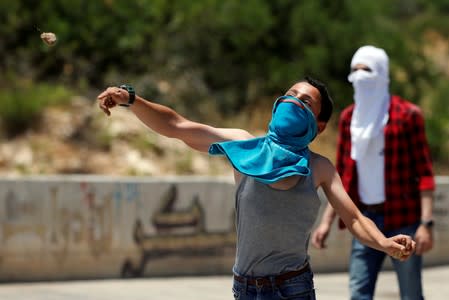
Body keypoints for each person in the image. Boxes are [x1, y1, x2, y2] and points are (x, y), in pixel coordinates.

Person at [97, 76, 416, 300]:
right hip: (246, 288)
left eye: (305, 101)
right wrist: (132, 100)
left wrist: (385, 243)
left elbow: (355, 218)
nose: (294, 100)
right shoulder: (243, 145)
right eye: (290, 94)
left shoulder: (319, 167)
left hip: (294, 288)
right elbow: (177, 127)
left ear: (319, 126)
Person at [311, 46, 435, 300]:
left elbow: (424, 172)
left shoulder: (407, 115)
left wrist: (426, 224)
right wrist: (326, 222)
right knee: (359, 293)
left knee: (411, 294)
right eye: (354, 70)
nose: (359, 76)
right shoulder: (349, 119)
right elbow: (341, 176)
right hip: (365, 219)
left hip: (404, 219)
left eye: (366, 69)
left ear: (382, 73)